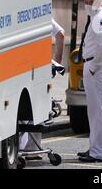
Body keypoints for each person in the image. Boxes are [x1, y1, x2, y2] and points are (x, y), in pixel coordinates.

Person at [18, 17, 65, 160]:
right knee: (36, 107)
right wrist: (57, 61)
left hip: (23, 65)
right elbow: (61, 34)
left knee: (21, 108)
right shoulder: (42, 15)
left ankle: (19, 146)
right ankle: (34, 147)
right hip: (41, 65)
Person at [78, 0, 102, 163]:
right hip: (96, 65)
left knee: (98, 110)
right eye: (85, 1)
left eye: (91, 1)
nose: (88, 4)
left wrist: (92, 67)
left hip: (97, 66)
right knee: (95, 111)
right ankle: (96, 147)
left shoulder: (100, 19)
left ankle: (98, 151)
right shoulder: (96, 18)